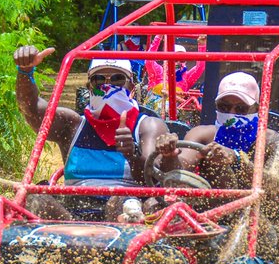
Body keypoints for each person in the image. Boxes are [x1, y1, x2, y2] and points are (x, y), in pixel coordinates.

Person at [14, 45, 169, 219]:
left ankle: (95, 242)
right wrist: (25, 71)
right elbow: (31, 110)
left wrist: (132, 155)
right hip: (71, 216)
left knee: (119, 201)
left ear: (131, 87)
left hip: (126, 212)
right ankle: (74, 241)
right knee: (36, 199)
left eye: (117, 79)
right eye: (99, 80)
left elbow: (152, 180)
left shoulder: (147, 126)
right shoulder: (72, 125)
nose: (107, 86)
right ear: (89, 87)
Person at [152, 71, 279, 189]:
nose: (231, 113)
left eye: (241, 108)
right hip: (207, 209)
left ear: (257, 109)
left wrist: (237, 159)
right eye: (224, 107)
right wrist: (169, 155)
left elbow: (276, 184)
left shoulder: (276, 141)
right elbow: (180, 171)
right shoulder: (201, 135)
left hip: (255, 210)